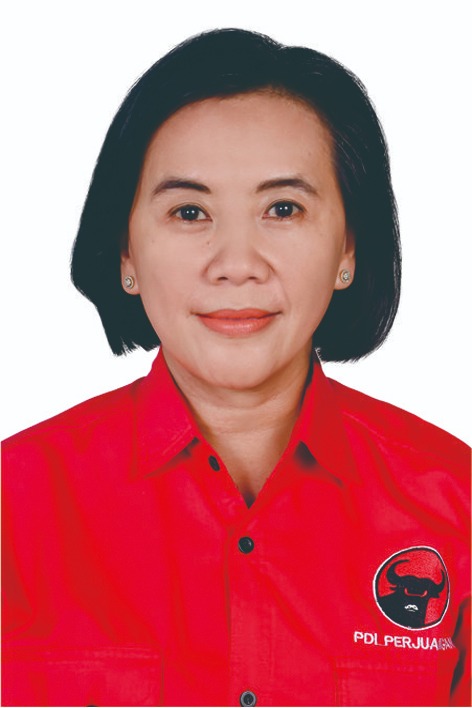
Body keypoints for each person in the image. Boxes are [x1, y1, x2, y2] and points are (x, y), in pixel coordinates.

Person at [1, 28, 469, 707]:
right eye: (189, 212)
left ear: (348, 249)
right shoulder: (14, 506)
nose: (237, 264)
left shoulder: (456, 504)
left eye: (283, 209)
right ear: (126, 253)